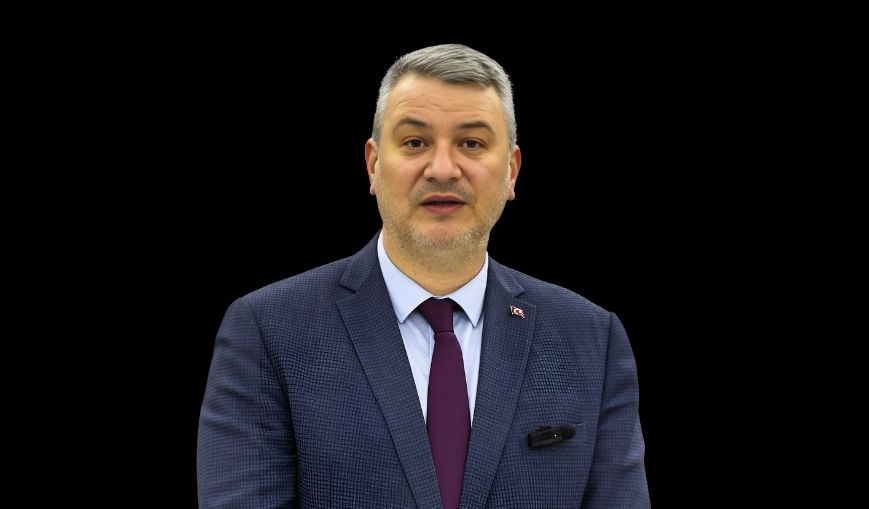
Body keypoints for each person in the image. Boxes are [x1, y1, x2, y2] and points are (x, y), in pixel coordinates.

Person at [197, 44, 649, 508]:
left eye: (472, 143)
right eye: (415, 142)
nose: (443, 169)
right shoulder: (269, 332)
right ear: (373, 165)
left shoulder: (590, 339)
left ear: (512, 171)